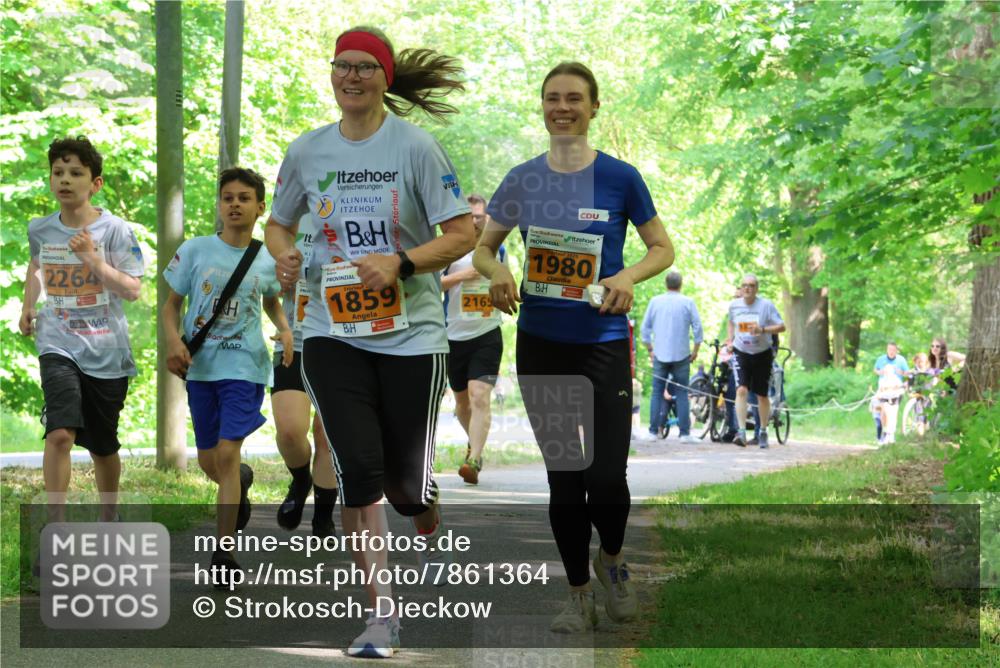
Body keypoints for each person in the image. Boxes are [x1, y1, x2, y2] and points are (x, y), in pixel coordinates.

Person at [264, 26, 474, 658]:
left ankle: (425, 497)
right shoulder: (307, 152)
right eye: (341, 67)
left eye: (364, 68)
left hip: (411, 334)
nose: (350, 77)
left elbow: (461, 232)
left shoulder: (415, 147)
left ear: (385, 78)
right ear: (332, 75)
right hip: (332, 331)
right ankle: (381, 617)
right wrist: (284, 259)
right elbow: (279, 226)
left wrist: (403, 264)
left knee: (406, 487)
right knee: (359, 471)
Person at [474, 62, 674, 633]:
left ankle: (611, 561)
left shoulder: (620, 177)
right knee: (566, 476)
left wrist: (630, 276)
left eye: (574, 99)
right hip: (543, 346)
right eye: (552, 98)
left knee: (607, 478)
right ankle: (579, 594)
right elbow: (488, 250)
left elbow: (663, 248)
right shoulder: (521, 179)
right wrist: (496, 273)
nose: (562, 107)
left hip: (604, 344)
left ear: (593, 107)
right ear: (542, 107)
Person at [162, 167, 292, 585]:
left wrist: (285, 330)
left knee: (227, 453)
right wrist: (174, 343)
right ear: (219, 204)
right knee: (209, 461)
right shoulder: (196, 250)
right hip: (201, 369)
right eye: (227, 197)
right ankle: (239, 483)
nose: (234, 204)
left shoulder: (266, 259)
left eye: (243, 198)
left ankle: (223, 554)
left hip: (245, 367)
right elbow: (170, 307)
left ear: (259, 207)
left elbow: (272, 301)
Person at [19, 136, 145, 529]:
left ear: (96, 183)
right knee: (59, 434)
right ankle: (54, 524)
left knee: (103, 446)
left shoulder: (115, 230)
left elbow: (133, 289)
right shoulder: (40, 229)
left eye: (76, 173)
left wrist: (92, 260)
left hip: (106, 350)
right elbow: (36, 267)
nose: (65, 180)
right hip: (57, 341)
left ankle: (109, 514)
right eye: (58, 172)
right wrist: (27, 305)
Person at [271, 215, 339, 537]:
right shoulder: (287, 225)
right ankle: (300, 482)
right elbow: (268, 284)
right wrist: (280, 278)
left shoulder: (359, 212)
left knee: (327, 435)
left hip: (341, 341)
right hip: (294, 342)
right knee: (289, 431)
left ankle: (324, 514)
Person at [441, 193, 506, 484]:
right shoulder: (448, 248)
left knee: (480, 396)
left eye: (478, 217)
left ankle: (474, 459)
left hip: (487, 333)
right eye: (469, 217)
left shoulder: (495, 249)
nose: (474, 221)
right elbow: (431, 286)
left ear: (487, 218)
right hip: (452, 335)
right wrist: (462, 275)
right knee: (463, 404)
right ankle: (474, 442)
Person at [640, 270, 703, 443]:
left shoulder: (655, 302)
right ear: (680, 284)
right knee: (682, 392)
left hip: (660, 354)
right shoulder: (688, 302)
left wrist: (650, 350)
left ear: (666, 284)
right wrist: (696, 349)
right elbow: (697, 328)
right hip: (682, 354)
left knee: (657, 392)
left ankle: (653, 432)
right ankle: (684, 434)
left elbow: (644, 329)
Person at [725, 274, 786, 448]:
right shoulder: (734, 306)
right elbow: (731, 322)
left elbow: (782, 326)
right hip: (741, 351)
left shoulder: (766, 305)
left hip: (762, 353)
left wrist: (763, 329)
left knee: (761, 395)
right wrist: (730, 340)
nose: (747, 288)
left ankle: (764, 430)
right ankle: (742, 432)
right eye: (744, 285)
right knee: (741, 389)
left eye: (751, 285)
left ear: (756, 288)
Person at [873, 341, 908, 444]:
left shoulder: (901, 360)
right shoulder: (881, 359)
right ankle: (886, 432)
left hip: (896, 390)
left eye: (893, 350)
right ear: (887, 350)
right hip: (883, 390)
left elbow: (907, 373)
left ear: (897, 350)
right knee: (884, 411)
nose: (891, 352)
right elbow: (875, 369)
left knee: (893, 412)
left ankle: (891, 434)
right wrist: (880, 372)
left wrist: (900, 372)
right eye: (889, 349)